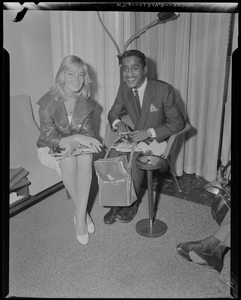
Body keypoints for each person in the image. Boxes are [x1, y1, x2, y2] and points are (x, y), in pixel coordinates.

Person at [104, 49, 185, 225]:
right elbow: (112, 112)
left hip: (158, 140)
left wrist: (148, 132)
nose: (129, 74)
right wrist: (118, 123)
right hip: (135, 138)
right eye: (125, 69)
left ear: (145, 69)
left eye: (134, 68)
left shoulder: (164, 90)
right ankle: (118, 202)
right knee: (113, 156)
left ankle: (132, 203)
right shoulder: (124, 87)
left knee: (134, 161)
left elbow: (178, 123)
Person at [36, 55, 102, 245]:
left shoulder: (86, 103)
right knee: (67, 160)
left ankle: (79, 217)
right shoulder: (48, 102)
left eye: (81, 75)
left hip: (74, 147)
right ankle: (83, 216)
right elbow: (49, 138)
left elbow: (88, 134)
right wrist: (75, 138)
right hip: (48, 149)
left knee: (86, 157)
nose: (76, 79)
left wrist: (76, 141)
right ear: (61, 75)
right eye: (71, 73)